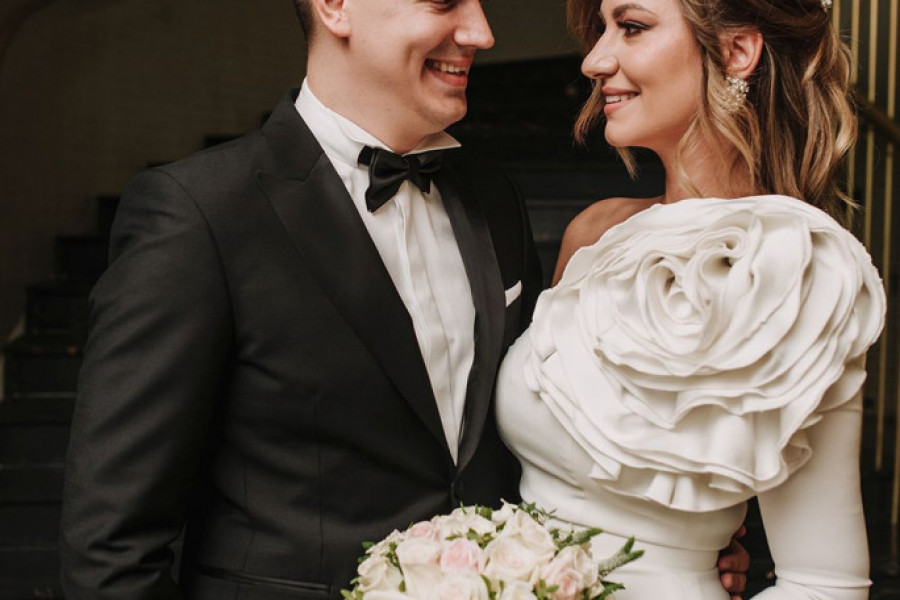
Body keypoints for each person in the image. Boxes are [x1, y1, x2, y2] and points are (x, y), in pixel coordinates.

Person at [59, 0, 747, 598]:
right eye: (443, 1)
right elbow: (111, 550)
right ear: (336, 6)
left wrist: (678, 545)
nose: (481, 32)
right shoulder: (200, 214)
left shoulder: (491, 196)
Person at [495, 0, 885, 598]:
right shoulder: (594, 233)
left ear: (737, 51)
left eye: (632, 27)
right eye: (602, 30)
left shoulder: (801, 272)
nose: (594, 61)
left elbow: (825, 585)